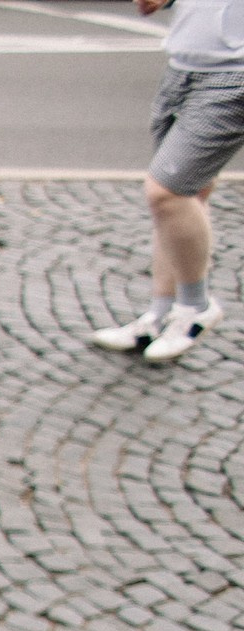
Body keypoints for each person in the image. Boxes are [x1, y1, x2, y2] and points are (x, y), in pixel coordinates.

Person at [85, 0, 242, 362]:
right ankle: (159, 314)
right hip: (184, 66)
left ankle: (195, 307)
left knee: (168, 193)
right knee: (186, 197)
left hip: (234, 75)